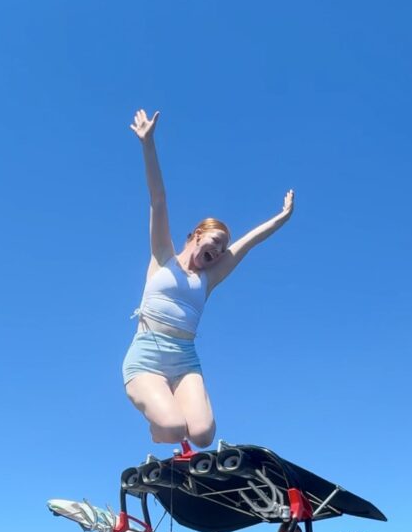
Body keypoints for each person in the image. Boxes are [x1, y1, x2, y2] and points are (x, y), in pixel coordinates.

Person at [123, 109, 294, 447]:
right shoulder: (163, 257)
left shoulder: (208, 279)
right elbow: (158, 199)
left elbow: (248, 244)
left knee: (202, 435)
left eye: (220, 252)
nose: (216, 254)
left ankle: (185, 443)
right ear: (198, 235)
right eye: (214, 243)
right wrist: (148, 144)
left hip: (185, 358)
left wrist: (281, 218)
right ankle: (158, 431)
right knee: (173, 429)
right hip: (148, 354)